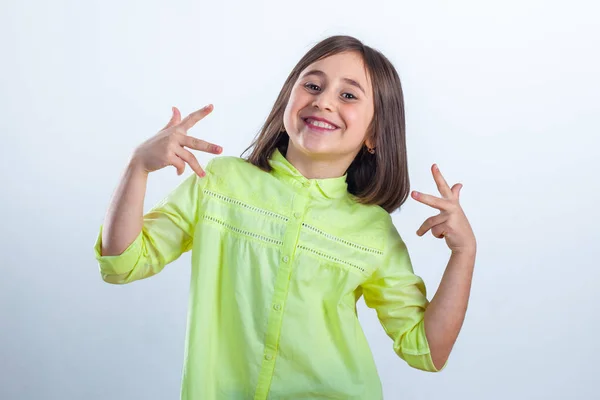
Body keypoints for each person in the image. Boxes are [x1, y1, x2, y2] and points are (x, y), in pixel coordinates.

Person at [94, 35, 477, 400]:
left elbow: (426, 351)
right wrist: (138, 167)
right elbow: (122, 263)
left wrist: (464, 254)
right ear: (285, 103)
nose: (324, 101)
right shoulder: (219, 183)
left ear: (373, 134)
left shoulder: (373, 230)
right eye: (312, 86)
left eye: (347, 95)